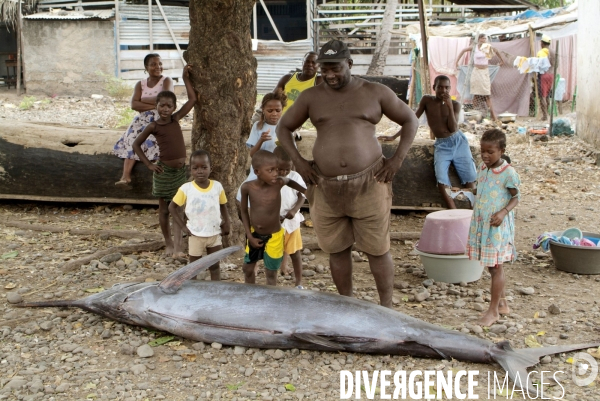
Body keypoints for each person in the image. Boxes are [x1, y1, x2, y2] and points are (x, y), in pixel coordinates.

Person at [276, 39, 419, 308]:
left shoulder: (375, 92)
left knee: (378, 249)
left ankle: (386, 308)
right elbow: (283, 128)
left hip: (370, 181)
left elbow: (410, 119)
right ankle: (347, 306)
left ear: (350, 64)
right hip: (325, 185)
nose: (329, 75)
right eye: (324, 69)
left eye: (335, 68)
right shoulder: (311, 97)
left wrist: (398, 159)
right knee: (336, 248)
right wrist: (299, 162)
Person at [382, 75, 476, 209]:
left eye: (447, 88)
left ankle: (475, 210)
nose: (443, 91)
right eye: (440, 87)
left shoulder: (455, 104)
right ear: (434, 88)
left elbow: (453, 128)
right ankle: (453, 211)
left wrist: (449, 106)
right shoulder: (427, 100)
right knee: (441, 177)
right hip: (442, 144)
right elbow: (413, 120)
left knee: (469, 177)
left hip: (458, 142)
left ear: (450, 88)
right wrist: (394, 136)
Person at [133, 64, 197, 257]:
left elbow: (193, 99)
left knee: (178, 208)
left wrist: (185, 78)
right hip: (163, 172)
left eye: (169, 106)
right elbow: (136, 145)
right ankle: (168, 242)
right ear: (156, 106)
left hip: (179, 173)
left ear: (174, 108)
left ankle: (178, 246)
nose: (165, 109)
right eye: (162, 106)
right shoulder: (153, 126)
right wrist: (149, 164)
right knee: (163, 210)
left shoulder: (176, 119)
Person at [467, 129, 520, 326]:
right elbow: (482, 189)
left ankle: (493, 311)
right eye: (482, 151)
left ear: (501, 151)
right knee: (493, 266)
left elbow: (516, 197)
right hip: (483, 224)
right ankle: (503, 303)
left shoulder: (508, 173)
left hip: (496, 227)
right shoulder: (482, 168)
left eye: (490, 152)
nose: (485, 155)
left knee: (496, 267)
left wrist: (503, 212)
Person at [240, 150, 305, 286]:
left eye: (276, 169)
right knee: (248, 269)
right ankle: (250, 296)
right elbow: (244, 212)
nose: (276, 173)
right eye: (271, 170)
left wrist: (308, 191)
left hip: (274, 236)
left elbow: (291, 182)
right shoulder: (247, 187)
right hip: (254, 234)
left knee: (271, 272)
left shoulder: (278, 183)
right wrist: (249, 236)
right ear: (257, 172)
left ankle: (270, 301)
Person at [113, 53, 174, 188]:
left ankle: (160, 180)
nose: (158, 67)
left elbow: (166, 99)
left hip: (160, 118)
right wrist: (156, 103)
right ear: (146, 67)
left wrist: (144, 100)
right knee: (131, 137)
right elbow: (134, 105)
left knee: (151, 140)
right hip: (142, 119)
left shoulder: (166, 81)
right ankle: (125, 176)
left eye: (160, 64)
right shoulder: (140, 84)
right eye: (153, 64)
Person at [168, 150, 231, 280]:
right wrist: (183, 227)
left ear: (210, 168)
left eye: (204, 167)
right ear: (190, 169)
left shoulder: (217, 186)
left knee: (214, 266)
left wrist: (227, 223)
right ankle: (193, 294)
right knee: (193, 269)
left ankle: (216, 291)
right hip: (195, 235)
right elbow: (172, 207)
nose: (200, 171)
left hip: (214, 234)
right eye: (195, 168)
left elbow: (223, 205)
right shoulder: (186, 188)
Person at [235, 92, 288, 204]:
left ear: (282, 109)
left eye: (278, 110)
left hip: (279, 172)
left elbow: (291, 155)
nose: (274, 114)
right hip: (261, 171)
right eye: (270, 110)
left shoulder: (286, 128)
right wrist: (261, 140)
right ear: (263, 109)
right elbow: (252, 154)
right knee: (255, 199)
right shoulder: (258, 127)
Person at [274, 146, 306, 289]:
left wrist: (294, 210)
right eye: (280, 169)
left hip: (291, 221)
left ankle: (299, 282)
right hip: (274, 221)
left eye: (287, 169)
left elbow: (302, 195)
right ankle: (272, 282)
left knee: (294, 252)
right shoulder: (270, 177)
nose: (284, 172)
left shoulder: (295, 177)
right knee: (273, 252)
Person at [274, 51, 323, 140]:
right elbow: (272, 97)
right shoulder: (287, 78)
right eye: (307, 61)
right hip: (276, 114)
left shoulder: (319, 81)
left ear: (319, 66)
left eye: (313, 63)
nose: (310, 65)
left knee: (280, 138)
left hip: (294, 120)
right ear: (302, 63)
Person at [455, 34, 504, 121]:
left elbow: (496, 51)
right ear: (479, 39)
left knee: (487, 94)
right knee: (476, 94)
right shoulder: (474, 47)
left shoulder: (488, 47)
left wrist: (501, 61)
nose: (483, 39)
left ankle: (493, 116)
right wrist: (457, 62)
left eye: (485, 38)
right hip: (476, 72)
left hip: (484, 72)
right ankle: (474, 115)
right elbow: (463, 50)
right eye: (482, 38)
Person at [537, 35, 554, 121]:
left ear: (542, 43)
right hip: (551, 75)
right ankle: (549, 114)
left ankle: (545, 116)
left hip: (543, 75)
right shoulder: (553, 51)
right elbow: (556, 64)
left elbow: (539, 64)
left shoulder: (542, 52)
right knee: (547, 96)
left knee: (542, 96)